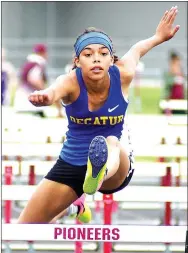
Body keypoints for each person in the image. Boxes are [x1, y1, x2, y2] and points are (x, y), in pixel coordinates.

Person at [17, 6, 180, 224]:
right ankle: (76, 206)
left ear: (111, 60)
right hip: (72, 164)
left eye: (103, 54)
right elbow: (53, 90)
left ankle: (96, 173)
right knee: (23, 227)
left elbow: (137, 49)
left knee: (110, 140)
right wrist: (44, 97)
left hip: (116, 166)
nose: (96, 59)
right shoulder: (70, 81)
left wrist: (158, 37)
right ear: (77, 61)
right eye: (88, 54)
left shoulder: (123, 74)